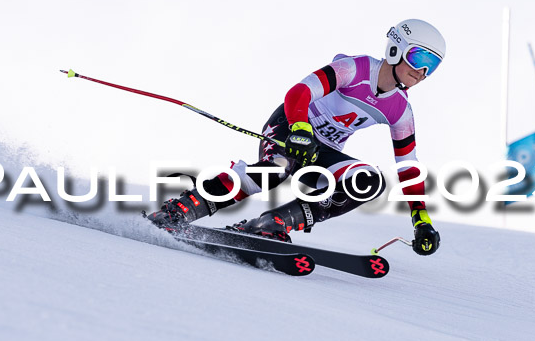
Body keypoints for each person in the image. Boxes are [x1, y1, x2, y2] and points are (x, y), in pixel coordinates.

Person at [148, 19, 444, 256]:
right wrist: (301, 129)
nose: (422, 71)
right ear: (396, 49)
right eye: (419, 57)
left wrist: (421, 219)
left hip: (322, 151)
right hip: (290, 125)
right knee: (278, 167)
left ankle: (271, 223)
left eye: (432, 66)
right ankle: (182, 210)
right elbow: (299, 92)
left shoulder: (401, 110)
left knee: (368, 181)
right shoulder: (356, 68)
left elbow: (408, 166)